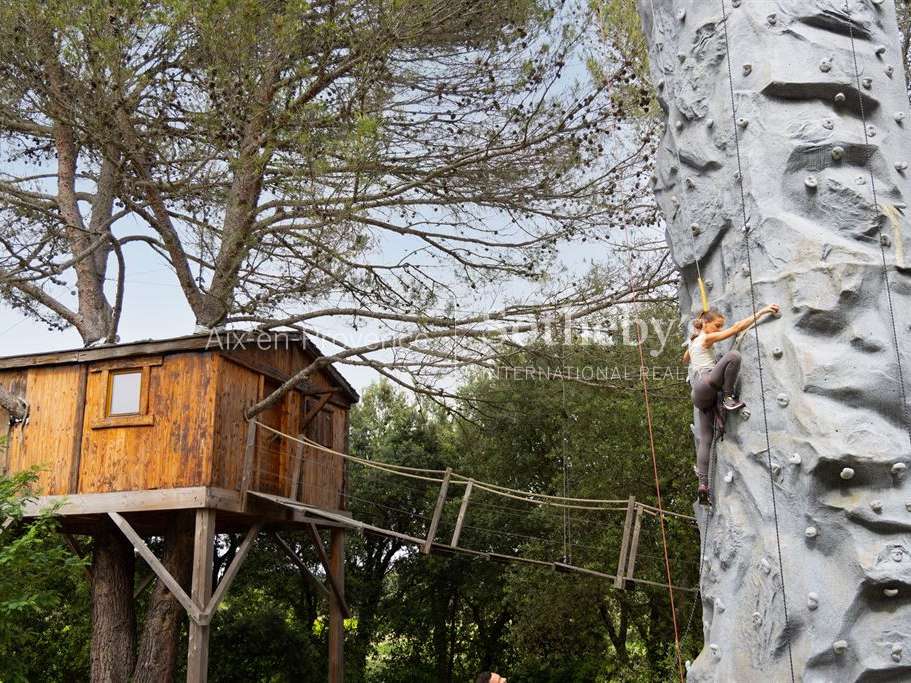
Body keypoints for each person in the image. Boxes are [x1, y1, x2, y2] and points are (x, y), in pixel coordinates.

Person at [683, 304, 781, 504]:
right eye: (717, 326)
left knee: (706, 439)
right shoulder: (706, 338)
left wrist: (694, 337)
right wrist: (762, 311)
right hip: (706, 382)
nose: (718, 330)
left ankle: (703, 485)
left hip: (700, 396)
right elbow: (736, 328)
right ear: (706, 323)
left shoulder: (694, 342)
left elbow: (685, 360)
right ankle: (728, 398)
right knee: (733, 357)